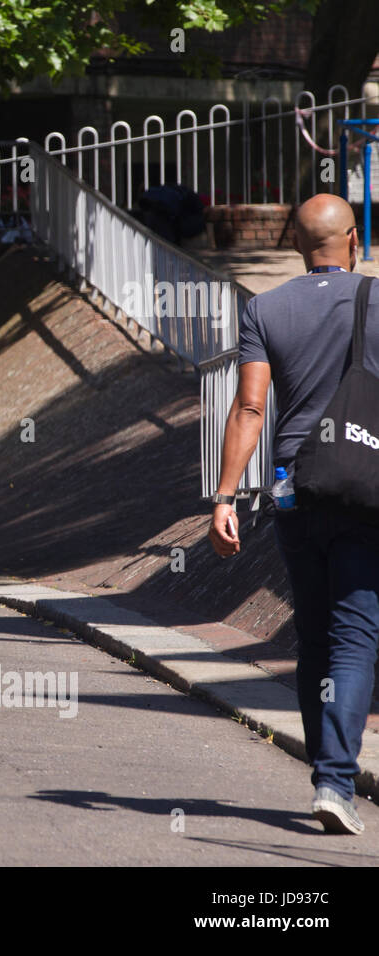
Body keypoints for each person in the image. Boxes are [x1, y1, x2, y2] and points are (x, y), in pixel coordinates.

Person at [209, 192, 379, 835]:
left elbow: (250, 410)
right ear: (354, 239)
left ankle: (325, 775)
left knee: (313, 636)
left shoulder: (266, 308)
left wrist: (225, 497)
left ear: (298, 247)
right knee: (356, 634)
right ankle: (337, 781)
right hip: (365, 488)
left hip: (294, 493)